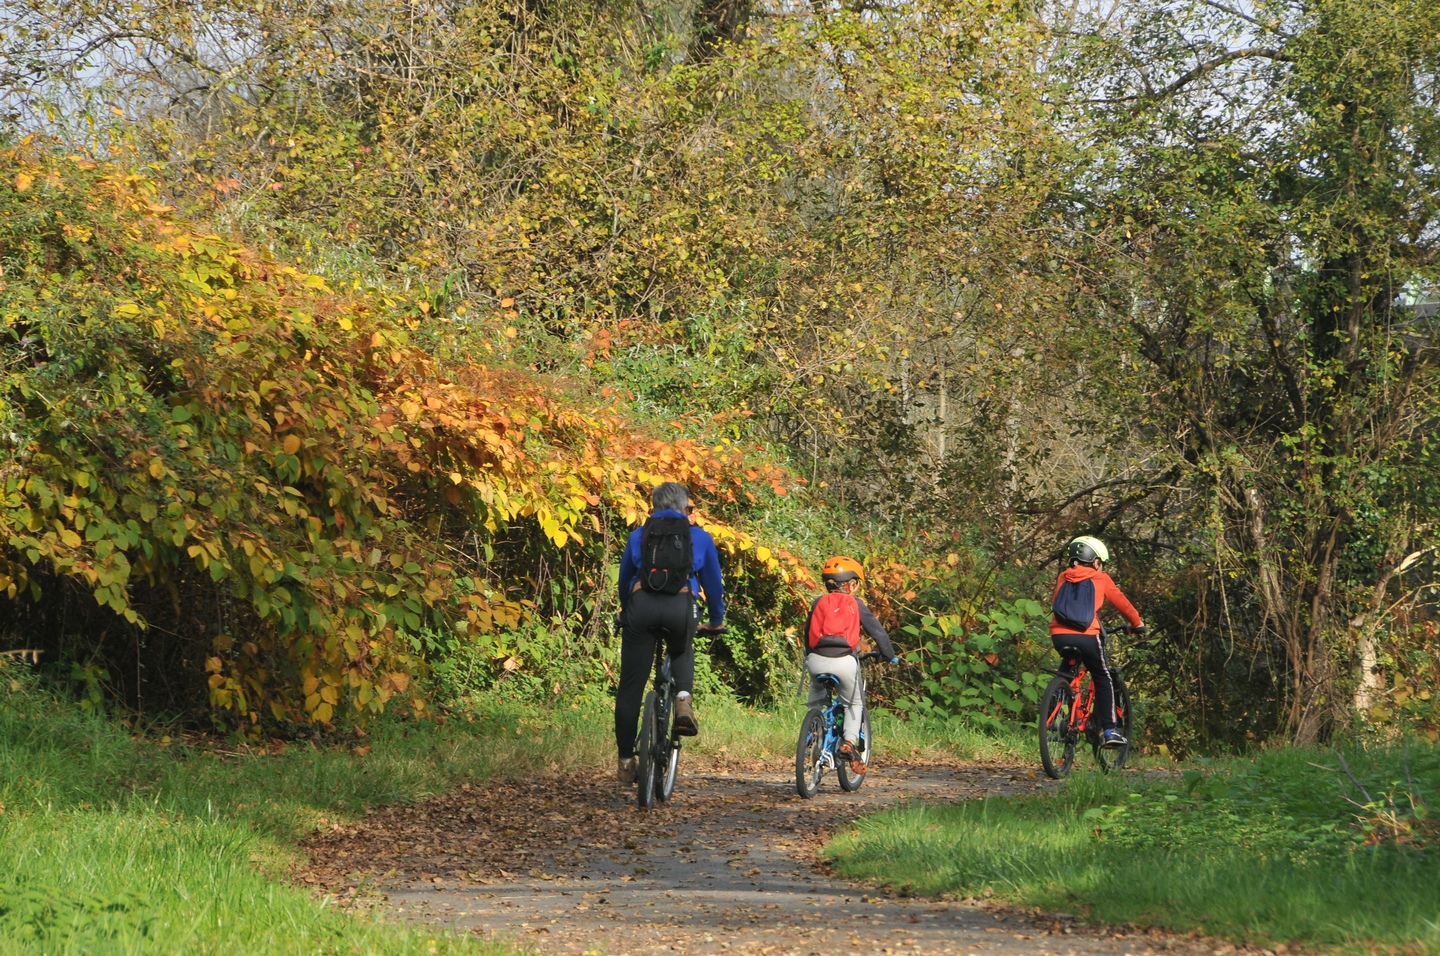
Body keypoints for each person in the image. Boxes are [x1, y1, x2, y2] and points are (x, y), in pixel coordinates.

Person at [614, 482, 726, 785]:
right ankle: (683, 700)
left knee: (630, 687)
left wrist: (628, 612)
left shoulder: (638, 535)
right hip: (680, 607)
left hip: (642, 608)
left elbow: (625, 581)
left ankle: (626, 760)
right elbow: (713, 586)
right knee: (682, 646)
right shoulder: (700, 538)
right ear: (684, 508)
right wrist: (716, 620)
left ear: (653, 506)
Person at [803, 556, 899, 775]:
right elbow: (877, 632)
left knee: (816, 693)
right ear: (851, 584)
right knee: (854, 704)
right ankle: (848, 742)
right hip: (845, 662)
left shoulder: (818, 602)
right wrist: (889, 655)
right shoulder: (856, 604)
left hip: (816, 660)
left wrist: (810, 656)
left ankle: (814, 729)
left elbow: (807, 633)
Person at [1049, 535, 1145, 748]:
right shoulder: (1100, 578)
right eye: (1100, 563)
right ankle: (1110, 730)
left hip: (1059, 635)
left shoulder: (1063, 577)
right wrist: (1137, 623)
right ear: (1095, 561)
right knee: (1102, 676)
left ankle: (1053, 702)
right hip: (1087, 637)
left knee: (1066, 670)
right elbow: (1123, 604)